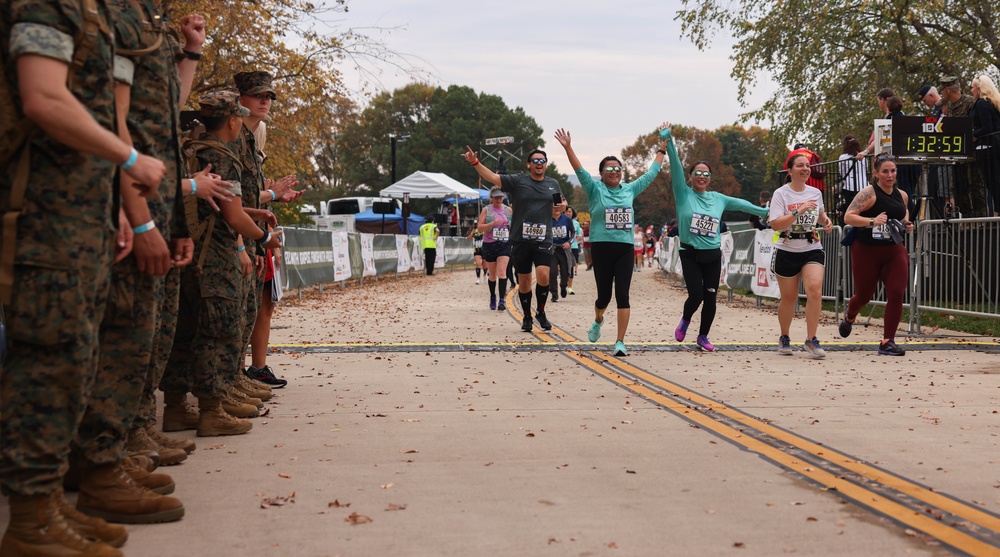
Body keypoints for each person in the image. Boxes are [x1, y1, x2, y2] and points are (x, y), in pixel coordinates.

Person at [0, 0, 166, 552]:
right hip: (43, 214)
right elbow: (43, 97)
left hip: (80, 214)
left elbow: (106, 108)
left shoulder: (86, 10)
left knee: (72, 357)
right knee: (47, 359)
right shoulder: (45, 3)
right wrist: (128, 160)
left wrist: (121, 204)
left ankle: (46, 504)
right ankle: (29, 521)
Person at [165, 90, 283, 438]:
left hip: (190, 253)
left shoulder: (195, 150)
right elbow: (231, 215)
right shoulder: (224, 158)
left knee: (185, 333)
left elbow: (221, 203)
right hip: (214, 257)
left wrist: (254, 211)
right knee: (217, 332)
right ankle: (212, 410)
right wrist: (262, 238)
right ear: (232, 121)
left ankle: (175, 408)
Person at [554, 126, 667, 357]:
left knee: (623, 295)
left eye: (618, 168)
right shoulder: (594, 189)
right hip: (602, 248)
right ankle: (598, 320)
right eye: (610, 169)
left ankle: (620, 341)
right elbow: (579, 170)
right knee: (604, 296)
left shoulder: (630, 189)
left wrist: (661, 149)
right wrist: (568, 147)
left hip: (625, 249)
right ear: (602, 173)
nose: (615, 172)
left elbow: (651, 173)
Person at [663, 126, 770, 353]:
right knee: (696, 295)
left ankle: (703, 336)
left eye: (706, 174)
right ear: (690, 177)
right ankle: (685, 319)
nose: (702, 177)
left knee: (711, 298)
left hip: (712, 255)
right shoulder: (683, 193)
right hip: (690, 252)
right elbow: (674, 165)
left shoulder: (717, 199)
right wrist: (669, 141)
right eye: (697, 173)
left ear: (710, 178)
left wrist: (764, 212)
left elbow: (741, 204)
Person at [462, 146, 562, 332]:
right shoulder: (518, 181)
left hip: (543, 239)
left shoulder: (553, 184)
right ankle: (527, 316)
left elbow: (559, 204)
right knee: (524, 281)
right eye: (535, 161)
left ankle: (540, 311)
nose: (539, 164)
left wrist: (561, 207)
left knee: (543, 275)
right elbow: (493, 177)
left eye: (542, 161)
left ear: (546, 165)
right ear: (529, 164)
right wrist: (475, 162)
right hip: (520, 239)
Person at [840, 154, 914, 356]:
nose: (890, 175)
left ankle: (887, 341)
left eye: (893, 171)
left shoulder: (902, 195)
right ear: (876, 173)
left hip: (894, 250)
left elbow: (903, 212)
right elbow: (848, 216)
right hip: (866, 251)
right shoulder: (869, 193)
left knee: (897, 292)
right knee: (864, 295)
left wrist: (906, 224)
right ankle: (850, 316)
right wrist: (872, 221)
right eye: (885, 171)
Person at [770, 153, 834, 358]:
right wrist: (798, 211)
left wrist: (826, 220)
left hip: (811, 247)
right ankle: (784, 336)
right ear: (790, 171)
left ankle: (811, 340)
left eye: (807, 166)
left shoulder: (815, 192)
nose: (806, 169)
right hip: (787, 248)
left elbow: (820, 212)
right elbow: (775, 225)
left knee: (815, 290)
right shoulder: (781, 194)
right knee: (789, 298)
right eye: (800, 166)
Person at [478, 188, 513, 310]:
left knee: (502, 272)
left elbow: (514, 226)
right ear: (491, 198)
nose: (499, 199)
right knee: (492, 274)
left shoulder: (508, 210)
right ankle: (493, 296)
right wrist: (492, 224)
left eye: (501, 197)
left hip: (504, 244)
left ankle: (502, 300)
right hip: (490, 244)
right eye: (496, 197)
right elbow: (479, 228)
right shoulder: (486, 210)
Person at [971, 75, 1000, 213]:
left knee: (992, 183)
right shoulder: (994, 102)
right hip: (995, 146)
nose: (971, 90)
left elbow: (987, 127)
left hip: (988, 148)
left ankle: (997, 212)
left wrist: (974, 134)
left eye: (972, 87)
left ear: (979, 88)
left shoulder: (982, 103)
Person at [836, 135, 869, 225]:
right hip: (864, 185)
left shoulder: (843, 157)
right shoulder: (864, 156)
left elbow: (842, 172)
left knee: (851, 208)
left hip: (850, 186)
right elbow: (866, 170)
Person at [549, 201, 572, 302]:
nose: (556, 209)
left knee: (565, 272)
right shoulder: (547, 219)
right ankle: (554, 293)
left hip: (564, 249)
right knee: (552, 272)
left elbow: (573, 232)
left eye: (558, 207)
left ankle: (563, 286)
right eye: (554, 207)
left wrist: (569, 242)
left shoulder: (566, 219)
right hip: (552, 250)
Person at [566, 205, 582, 293]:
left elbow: (579, 234)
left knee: (571, 266)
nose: (568, 213)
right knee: (563, 265)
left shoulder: (576, 223)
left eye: (570, 212)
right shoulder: (561, 221)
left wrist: (578, 237)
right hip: (563, 247)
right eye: (566, 212)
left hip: (574, 246)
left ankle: (570, 287)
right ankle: (564, 281)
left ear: (573, 213)